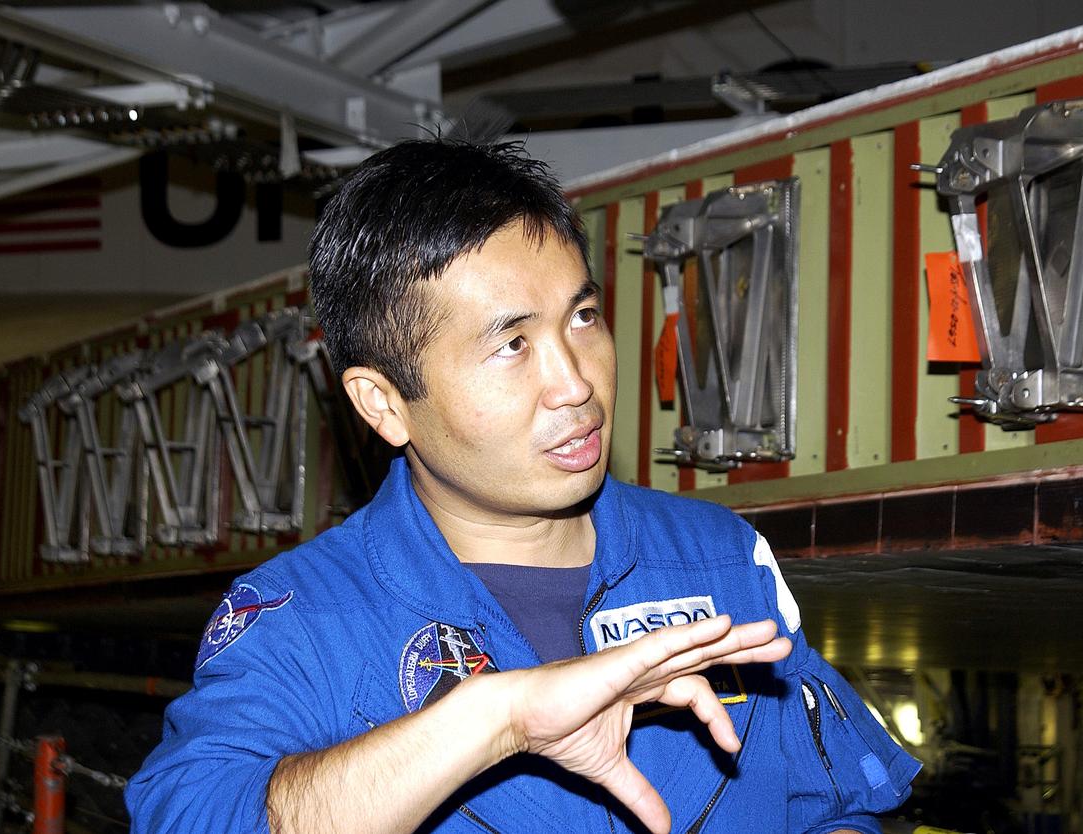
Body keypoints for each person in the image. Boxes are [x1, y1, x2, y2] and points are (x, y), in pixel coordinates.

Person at [125, 139, 920, 834]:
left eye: (582, 318)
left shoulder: (718, 559)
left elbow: (832, 799)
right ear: (384, 403)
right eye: (511, 345)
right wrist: (496, 719)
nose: (576, 383)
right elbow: (192, 815)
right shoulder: (303, 619)